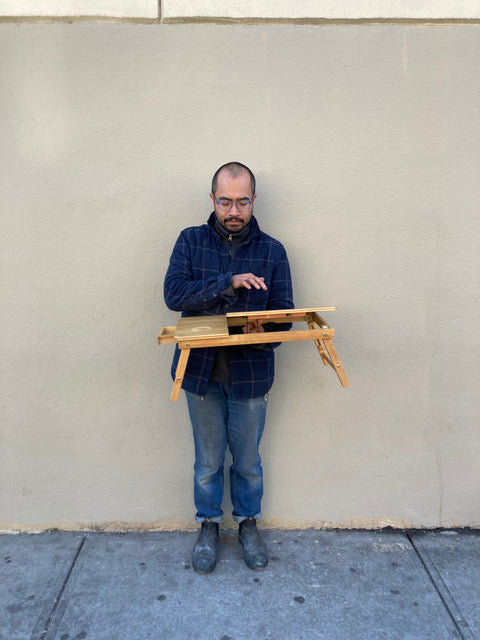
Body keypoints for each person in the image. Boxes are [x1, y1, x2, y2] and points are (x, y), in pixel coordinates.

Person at [164, 162, 294, 573]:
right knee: (207, 461)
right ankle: (208, 526)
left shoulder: (273, 251)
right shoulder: (190, 241)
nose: (233, 210)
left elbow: (284, 316)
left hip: (251, 376)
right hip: (199, 373)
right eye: (225, 201)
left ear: (253, 200)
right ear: (213, 200)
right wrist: (229, 283)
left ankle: (247, 524)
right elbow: (174, 293)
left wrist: (255, 330)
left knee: (248, 461)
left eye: (242, 201)